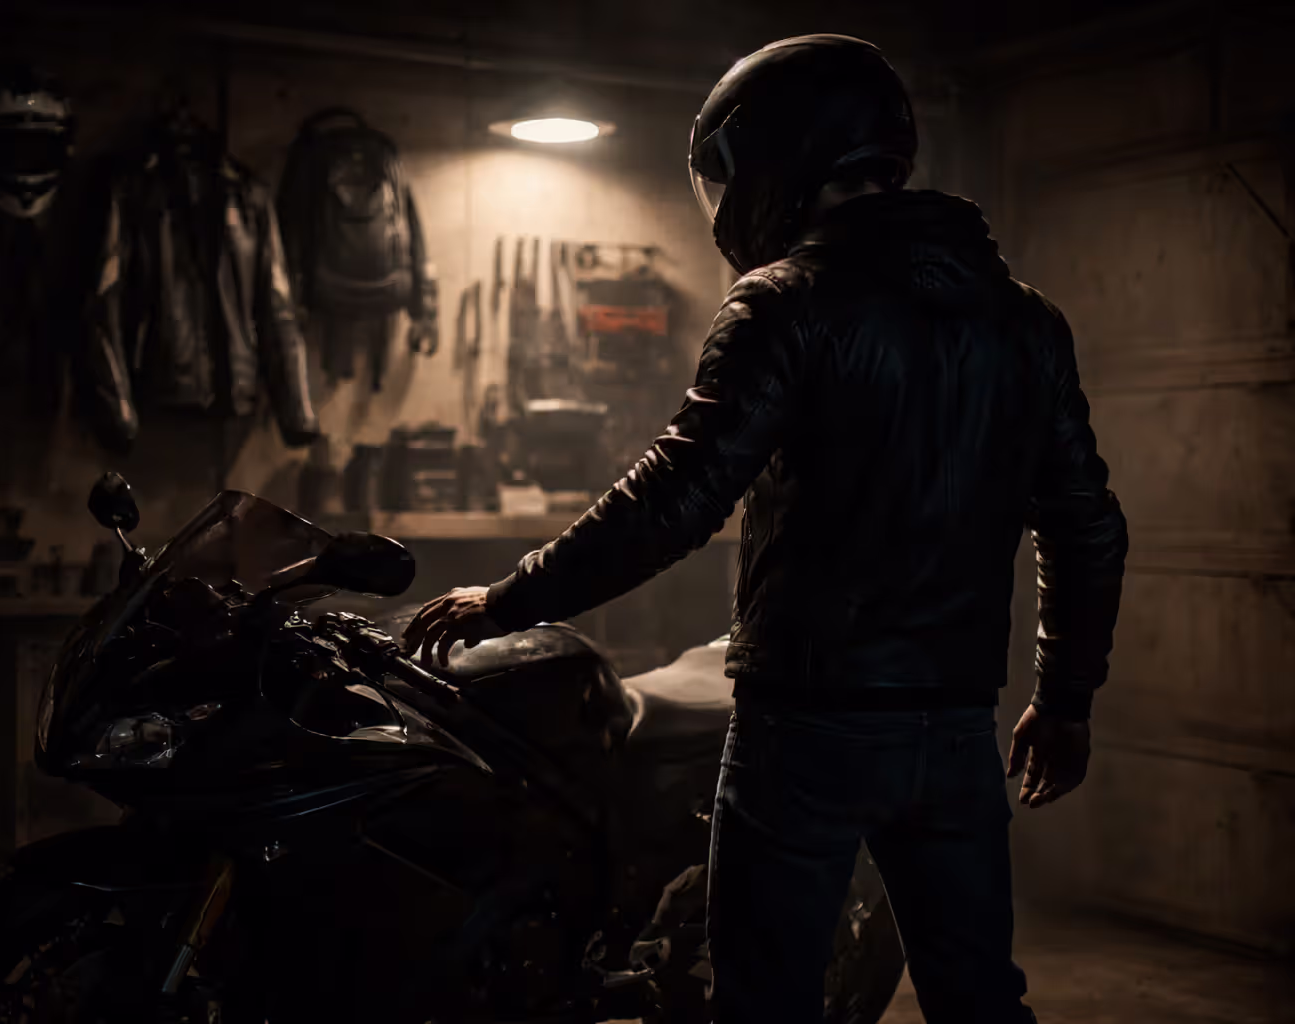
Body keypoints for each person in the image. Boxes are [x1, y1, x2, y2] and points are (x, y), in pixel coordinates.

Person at [404, 33, 1127, 1024]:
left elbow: (674, 500)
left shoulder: (785, 301)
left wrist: (507, 598)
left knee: (763, 1004)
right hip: (956, 725)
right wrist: (1066, 697)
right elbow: (1088, 526)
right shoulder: (1026, 321)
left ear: (782, 155)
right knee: (978, 1000)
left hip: (807, 725)